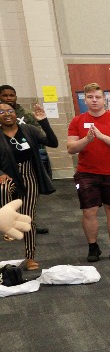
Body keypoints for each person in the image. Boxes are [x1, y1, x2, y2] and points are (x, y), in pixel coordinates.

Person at [66, 83, 110, 262]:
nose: (94, 100)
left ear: (104, 100)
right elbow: (71, 148)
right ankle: (93, 247)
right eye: (90, 97)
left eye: (98, 97)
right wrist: (87, 140)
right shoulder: (77, 121)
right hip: (86, 173)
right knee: (89, 211)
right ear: (85, 100)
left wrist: (102, 137)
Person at [0, 100, 57, 270]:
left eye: (10, 111)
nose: (7, 114)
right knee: (3, 189)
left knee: (28, 217)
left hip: (29, 175)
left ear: (15, 113)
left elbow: (53, 142)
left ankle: (30, 257)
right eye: (1, 112)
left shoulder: (28, 130)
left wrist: (43, 121)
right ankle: (9, 224)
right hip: (8, 176)